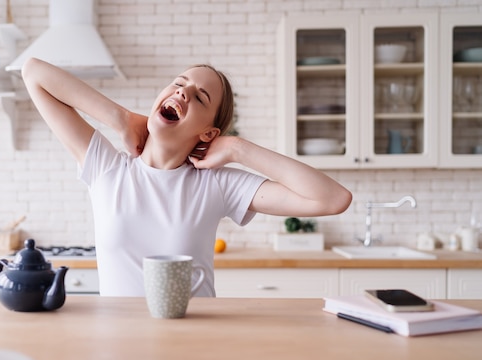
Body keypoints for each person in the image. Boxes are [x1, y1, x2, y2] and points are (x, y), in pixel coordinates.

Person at [22, 59, 352, 297]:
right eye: (179, 84)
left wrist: (237, 149)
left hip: (195, 347)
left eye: (199, 97)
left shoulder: (217, 184)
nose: (183, 93)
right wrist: (119, 117)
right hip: (118, 346)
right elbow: (34, 72)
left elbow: (333, 199)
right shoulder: (106, 167)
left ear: (209, 131)